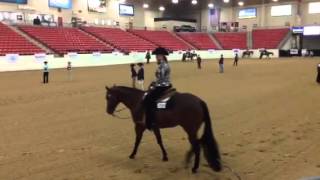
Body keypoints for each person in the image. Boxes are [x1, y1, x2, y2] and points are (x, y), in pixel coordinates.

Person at [143, 47, 171, 130]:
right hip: (164, 84)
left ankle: (150, 122)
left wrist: (155, 84)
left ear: (161, 56)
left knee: (148, 99)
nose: (156, 57)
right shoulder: (162, 64)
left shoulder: (163, 65)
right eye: (156, 56)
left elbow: (161, 78)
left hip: (162, 86)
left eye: (157, 56)